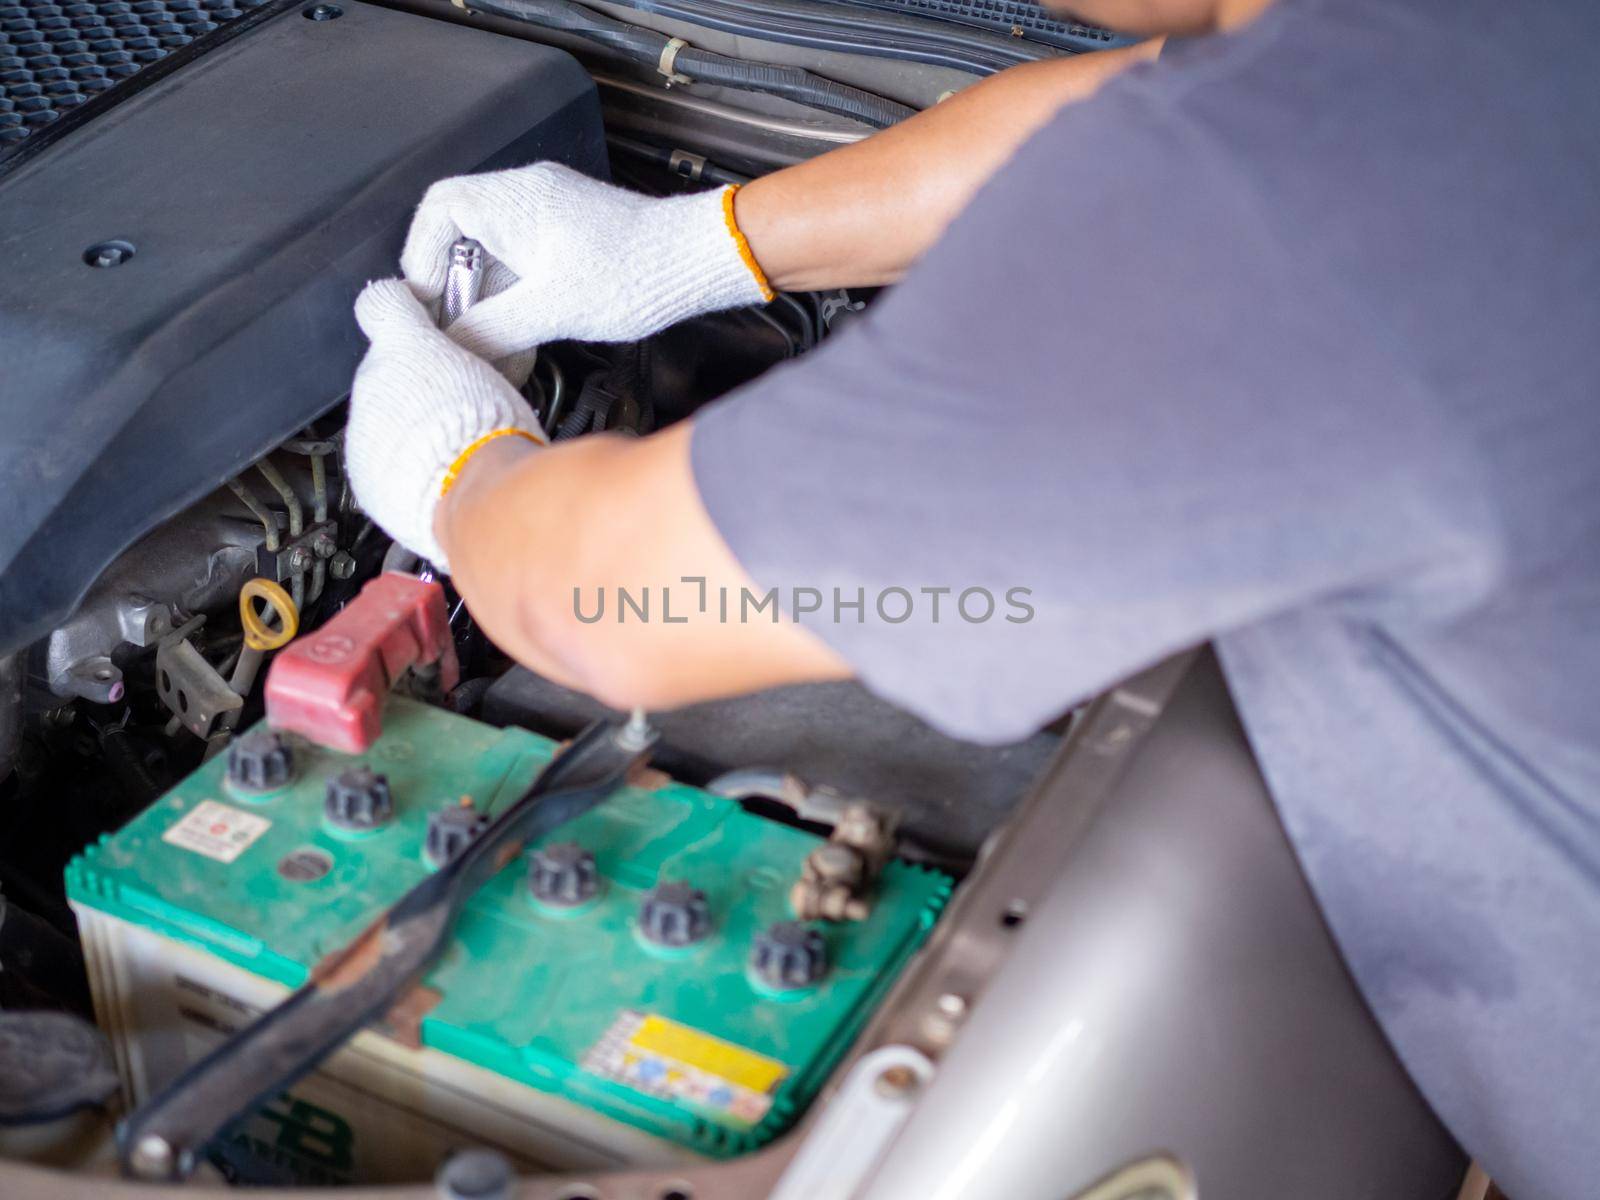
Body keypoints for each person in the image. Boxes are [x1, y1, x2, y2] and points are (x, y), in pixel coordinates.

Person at [344, 0, 1599, 1195]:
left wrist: (460, 470)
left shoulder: (1292, 226)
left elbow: (603, 602)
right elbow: (1136, 112)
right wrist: (695, 246)